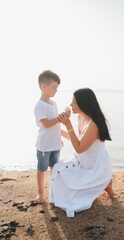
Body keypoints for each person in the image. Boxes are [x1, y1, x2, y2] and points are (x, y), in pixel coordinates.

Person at [49, 88, 114, 217]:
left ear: (84, 103)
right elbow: (78, 140)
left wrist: (68, 125)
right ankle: (105, 185)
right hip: (82, 159)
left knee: (74, 194)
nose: (71, 105)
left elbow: (79, 148)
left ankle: (106, 184)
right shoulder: (80, 118)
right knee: (58, 169)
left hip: (94, 165)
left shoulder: (94, 124)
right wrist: (58, 131)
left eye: (74, 102)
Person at [34, 70, 62, 203]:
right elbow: (46, 124)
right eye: (53, 88)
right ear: (43, 86)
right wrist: (59, 118)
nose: (55, 91)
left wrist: (59, 138)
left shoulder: (53, 103)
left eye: (57, 88)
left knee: (54, 168)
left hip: (55, 144)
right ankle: (40, 193)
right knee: (42, 169)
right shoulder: (40, 106)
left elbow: (56, 125)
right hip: (44, 145)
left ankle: (54, 190)